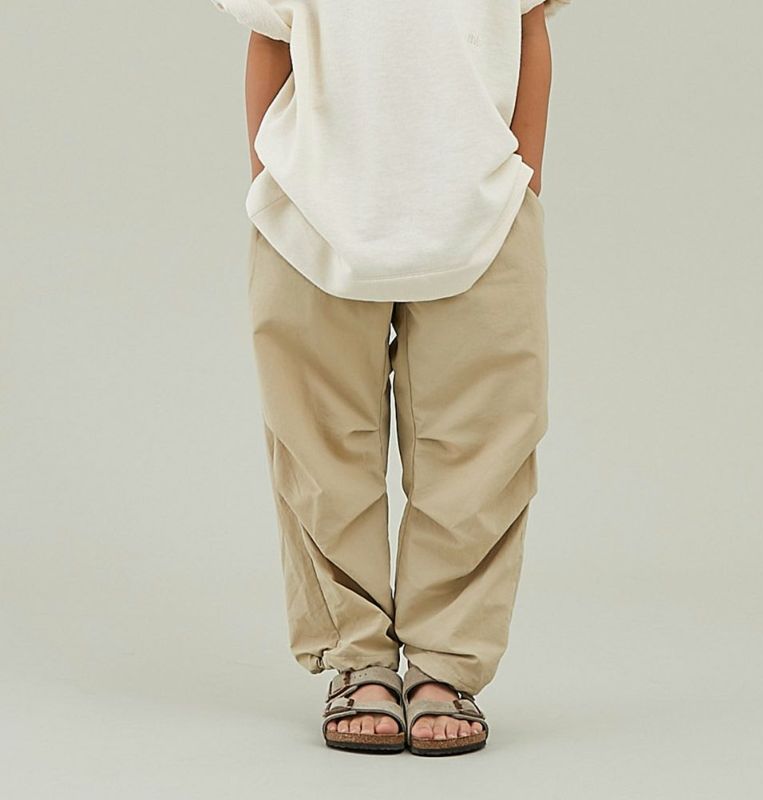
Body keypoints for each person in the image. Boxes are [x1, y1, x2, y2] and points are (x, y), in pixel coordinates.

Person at [210, 0, 570, 756]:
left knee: (481, 446)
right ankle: (358, 659)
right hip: (312, 208)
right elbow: (270, 38)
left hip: (483, 205)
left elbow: (528, 23)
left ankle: (445, 665)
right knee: (319, 446)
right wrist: (269, 181)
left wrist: (524, 182)